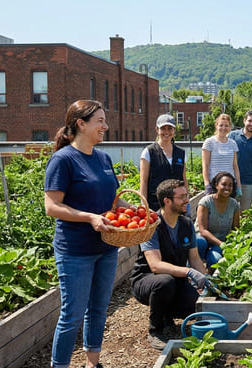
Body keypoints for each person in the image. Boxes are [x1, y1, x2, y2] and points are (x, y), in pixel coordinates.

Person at [44, 100, 131, 368]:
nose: (105, 126)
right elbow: (52, 207)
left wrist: (135, 210)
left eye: (105, 121)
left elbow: (114, 200)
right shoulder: (63, 160)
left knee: (98, 310)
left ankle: (93, 364)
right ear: (81, 124)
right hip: (75, 250)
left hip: (105, 247)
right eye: (100, 121)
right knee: (72, 315)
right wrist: (89, 217)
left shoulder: (103, 158)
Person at [130, 179, 208, 350]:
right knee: (164, 282)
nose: (187, 200)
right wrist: (188, 272)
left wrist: (206, 280)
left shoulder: (186, 224)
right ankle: (155, 330)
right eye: (182, 197)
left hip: (175, 280)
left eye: (187, 195)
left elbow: (194, 258)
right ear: (167, 201)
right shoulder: (151, 225)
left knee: (194, 306)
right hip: (146, 280)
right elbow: (155, 266)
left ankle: (166, 315)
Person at [139, 114, 187, 211]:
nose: (166, 132)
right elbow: (143, 181)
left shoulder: (180, 153)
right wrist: (144, 205)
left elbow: (184, 179)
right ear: (157, 130)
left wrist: (186, 199)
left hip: (176, 205)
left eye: (170, 128)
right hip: (156, 204)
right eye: (163, 128)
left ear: (174, 130)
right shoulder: (149, 152)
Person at [196, 171, 241, 268]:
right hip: (203, 239)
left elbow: (236, 228)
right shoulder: (206, 202)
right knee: (199, 242)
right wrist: (221, 244)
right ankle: (192, 269)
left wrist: (232, 244)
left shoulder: (234, 205)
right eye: (223, 184)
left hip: (220, 241)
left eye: (230, 185)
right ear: (216, 185)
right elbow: (203, 230)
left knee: (216, 260)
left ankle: (210, 279)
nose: (227, 188)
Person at [228, 110, 252, 211]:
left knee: (245, 213)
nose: (251, 124)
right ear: (244, 121)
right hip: (230, 180)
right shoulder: (232, 136)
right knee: (228, 211)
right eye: (249, 121)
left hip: (248, 182)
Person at [202, 113, 241, 196]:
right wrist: (207, 184)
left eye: (226, 126)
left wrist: (238, 185)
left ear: (230, 127)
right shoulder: (209, 142)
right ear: (216, 126)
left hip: (230, 184)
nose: (223, 128)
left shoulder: (233, 143)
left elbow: (235, 166)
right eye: (221, 125)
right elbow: (205, 165)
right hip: (215, 184)